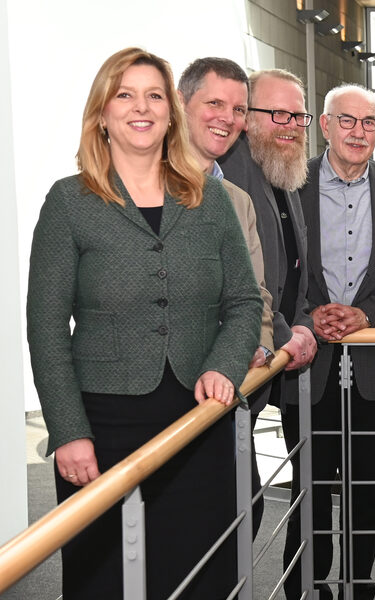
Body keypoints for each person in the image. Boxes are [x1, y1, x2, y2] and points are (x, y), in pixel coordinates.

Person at [27, 47, 261, 599]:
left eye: (154, 94)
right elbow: (45, 326)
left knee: (201, 576)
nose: (142, 106)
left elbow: (245, 302)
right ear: (102, 113)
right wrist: (69, 432)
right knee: (104, 581)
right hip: (103, 430)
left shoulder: (209, 199)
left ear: (170, 112)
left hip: (200, 422)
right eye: (125, 94)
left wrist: (226, 365)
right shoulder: (69, 202)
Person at [287, 84, 375, 600]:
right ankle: (309, 585)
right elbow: (277, 270)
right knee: (312, 484)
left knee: (365, 486)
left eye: (369, 123)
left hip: (373, 368)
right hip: (308, 364)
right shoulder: (292, 185)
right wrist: (306, 317)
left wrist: (365, 314)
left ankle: (358, 582)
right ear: (324, 126)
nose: (358, 132)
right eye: (348, 121)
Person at [178, 56, 276, 535]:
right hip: (161, 396)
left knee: (240, 516)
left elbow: (254, 294)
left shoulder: (237, 199)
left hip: (224, 388)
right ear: (182, 104)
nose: (228, 118)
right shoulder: (140, 187)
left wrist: (255, 345)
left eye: (238, 109)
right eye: (214, 103)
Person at [218, 68, 318, 409]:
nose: (290, 124)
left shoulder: (281, 168)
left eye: (298, 115)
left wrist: (301, 323)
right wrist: (284, 332)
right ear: (247, 117)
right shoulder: (231, 171)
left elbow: (293, 264)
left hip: (272, 355)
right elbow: (240, 278)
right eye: (277, 113)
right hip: (234, 365)